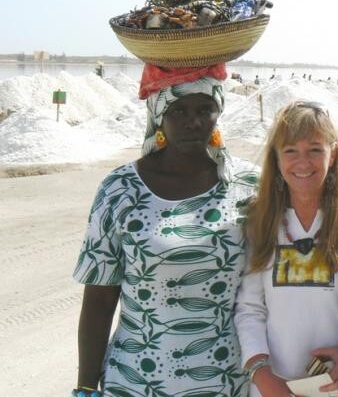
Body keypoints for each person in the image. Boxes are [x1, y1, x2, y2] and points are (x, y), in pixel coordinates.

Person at [72, 64, 257, 396]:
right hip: (135, 380)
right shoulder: (119, 189)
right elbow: (100, 298)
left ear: (219, 113)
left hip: (227, 380)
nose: (193, 121)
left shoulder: (249, 184)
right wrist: (85, 386)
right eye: (178, 110)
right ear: (158, 115)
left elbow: (273, 286)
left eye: (205, 109)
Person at [235, 100, 338, 397]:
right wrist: (261, 375)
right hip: (275, 386)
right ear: (276, 159)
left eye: (315, 149)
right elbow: (249, 308)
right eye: (290, 151)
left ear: (333, 153)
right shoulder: (259, 225)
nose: (303, 162)